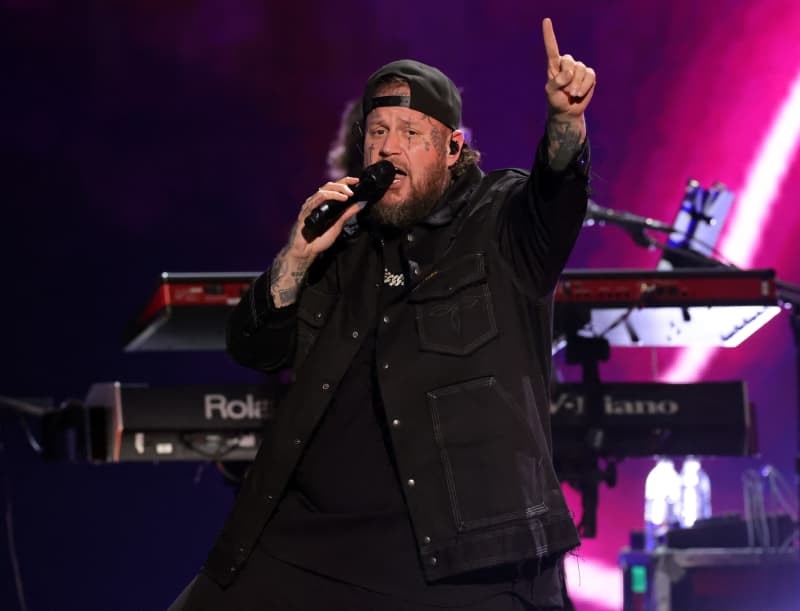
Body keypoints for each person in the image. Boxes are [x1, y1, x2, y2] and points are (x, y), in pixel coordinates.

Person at [170, 17, 595, 611]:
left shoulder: (499, 219)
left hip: (471, 548)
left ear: (451, 148)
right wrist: (295, 255)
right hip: (318, 541)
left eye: (410, 132)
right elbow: (254, 347)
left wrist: (566, 122)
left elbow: (555, 192)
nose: (389, 148)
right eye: (378, 132)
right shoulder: (341, 243)